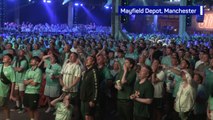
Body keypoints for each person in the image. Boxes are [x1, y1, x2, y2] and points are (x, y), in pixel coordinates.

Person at [80, 56, 99, 120]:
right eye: (86, 59)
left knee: (88, 117)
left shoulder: (94, 71)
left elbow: (96, 87)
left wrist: (93, 100)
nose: (86, 60)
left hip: (89, 99)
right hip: (83, 98)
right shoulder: (86, 72)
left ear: (93, 62)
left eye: (89, 59)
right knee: (84, 116)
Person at [0, 54, 16, 120]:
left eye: (6, 57)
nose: (4, 57)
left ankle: (7, 118)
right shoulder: (0, 66)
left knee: (4, 106)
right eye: (4, 56)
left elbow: (13, 82)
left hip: (3, 91)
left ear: (10, 60)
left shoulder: (11, 70)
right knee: (4, 106)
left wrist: (11, 94)